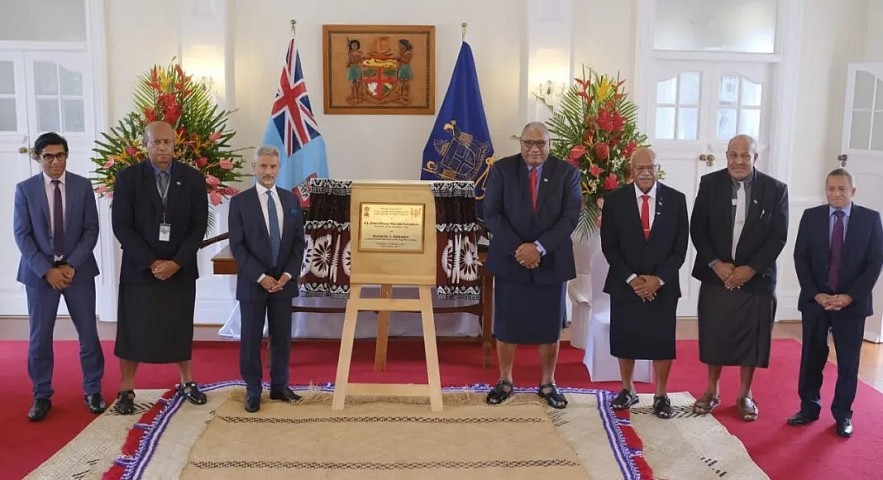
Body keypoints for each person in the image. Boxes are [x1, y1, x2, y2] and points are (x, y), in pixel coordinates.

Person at [110, 121, 209, 414]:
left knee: (179, 326)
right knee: (133, 328)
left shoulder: (191, 178)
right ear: (146, 145)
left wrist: (176, 262)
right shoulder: (128, 178)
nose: (163, 148)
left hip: (179, 269)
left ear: (175, 145)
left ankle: (187, 381)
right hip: (141, 269)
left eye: (168, 142)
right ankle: (126, 389)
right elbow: (122, 226)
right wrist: (153, 263)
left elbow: (198, 226)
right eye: (157, 142)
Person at [690, 134, 789, 421]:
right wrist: (716, 264)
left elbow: (778, 237)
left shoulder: (775, 190)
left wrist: (750, 270)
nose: (739, 161)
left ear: (755, 158)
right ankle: (712, 390)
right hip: (716, 275)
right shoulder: (711, 184)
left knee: (752, 339)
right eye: (733, 155)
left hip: (756, 278)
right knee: (715, 335)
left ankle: (745, 393)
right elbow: (698, 228)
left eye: (745, 156)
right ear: (727, 157)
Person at [483, 122, 581, 409]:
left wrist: (538, 248)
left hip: (551, 259)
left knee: (549, 327)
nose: (534, 149)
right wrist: (520, 248)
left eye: (541, 143)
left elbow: (570, 217)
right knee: (507, 325)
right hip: (510, 258)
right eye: (529, 143)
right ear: (521, 143)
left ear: (550, 143)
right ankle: (504, 380)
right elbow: (492, 214)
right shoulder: (502, 170)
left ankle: (548, 382)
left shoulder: (567, 173)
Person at [13, 132, 105, 421]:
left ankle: (93, 390)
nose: (55, 162)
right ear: (38, 158)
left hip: (78, 272)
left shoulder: (82, 186)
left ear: (67, 155)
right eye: (48, 156)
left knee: (88, 333)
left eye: (60, 155)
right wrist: (47, 270)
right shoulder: (25, 189)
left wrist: (71, 265)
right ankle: (41, 394)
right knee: (40, 337)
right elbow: (22, 235)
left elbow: (91, 229)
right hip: (40, 275)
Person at [789, 168, 882, 437]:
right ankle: (808, 407)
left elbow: (875, 262)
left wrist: (850, 296)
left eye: (842, 189)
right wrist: (816, 294)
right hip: (816, 300)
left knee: (848, 363)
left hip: (851, 304)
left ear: (853, 191)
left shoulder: (870, 219)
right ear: (825, 190)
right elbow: (801, 258)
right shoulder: (811, 217)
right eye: (831, 188)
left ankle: (843, 414)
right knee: (811, 358)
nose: (836, 193)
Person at [600, 148, 689, 419]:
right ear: (631, 171)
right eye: (640, 168)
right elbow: (610, 247)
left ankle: (661, 394)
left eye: (651, 167)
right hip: (626, 283)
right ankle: (627, 388)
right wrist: (633, 280)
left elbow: (680, 248)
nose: (646, 172)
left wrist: (657, 280)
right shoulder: (615, 201)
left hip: (663, 285)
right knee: (626, 338)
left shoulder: (676, 200)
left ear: (658, 168)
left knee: (661, 341)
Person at [228, 146, 306, 413]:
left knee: (282, 337)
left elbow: (298, 243)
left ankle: (280, 386)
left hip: (284, 283)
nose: (268, 172)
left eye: (273, 167)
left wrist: (286, 275)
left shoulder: (291, 200)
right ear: (254, 167)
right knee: (250, 338)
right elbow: (238, 247)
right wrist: (261, 277)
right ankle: (253, 389)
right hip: (253, 283)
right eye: (263, 166)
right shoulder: (240, 202)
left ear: (279, 168)